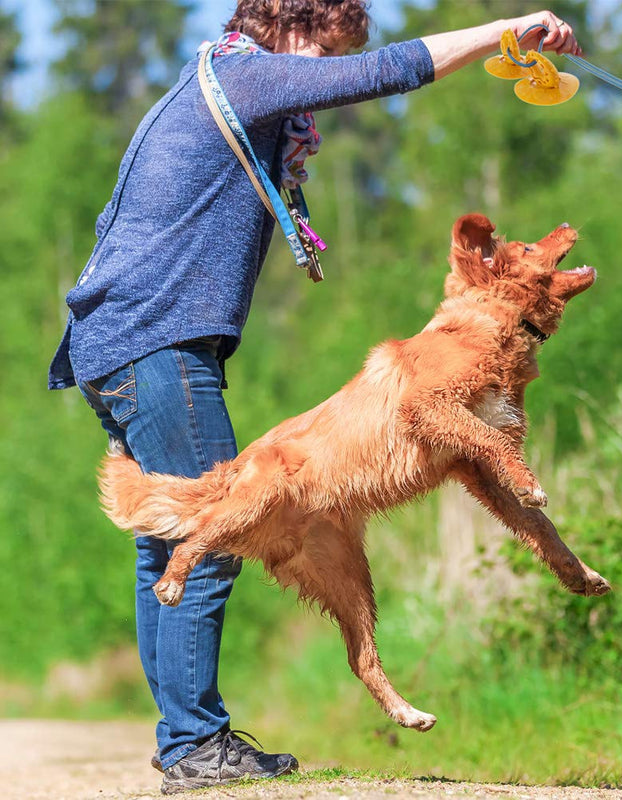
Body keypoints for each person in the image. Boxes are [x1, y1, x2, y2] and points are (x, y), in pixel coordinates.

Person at [48, 1, 581, 794]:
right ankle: (195, 747)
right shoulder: (248, 74)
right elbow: (388, 71)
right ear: (295, 28)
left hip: (115, 341)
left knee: (170, 541)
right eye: (324, 50)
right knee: (223, 525)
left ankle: (183, 741)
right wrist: (506, 34)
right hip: (155, 341)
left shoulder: (210, 79)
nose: (319, 76)